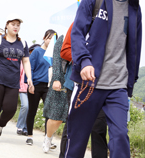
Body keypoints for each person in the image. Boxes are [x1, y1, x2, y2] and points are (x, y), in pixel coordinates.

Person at [64, 0, 142, 158]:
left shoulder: (134, 7)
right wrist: (84, 61)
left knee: (120, 136)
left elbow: (135, 45)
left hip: (118, 85)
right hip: (89, 83)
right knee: (77, 141)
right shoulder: (93, 1)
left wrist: (131, 80)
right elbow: (77, 33)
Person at [0, 14, 34, 146]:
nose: (16, 27)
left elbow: (26, 61)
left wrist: (30, 79)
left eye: (18, 25)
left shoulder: (23, 43)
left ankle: (0, 126)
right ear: (7, 25)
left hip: (13, 82)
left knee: (10, 109)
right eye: (13, 24)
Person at [59, 22, 107, 158]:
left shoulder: (114, 22)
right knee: (73, 126)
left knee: (99, 128)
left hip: (105, 84)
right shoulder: (80, 21)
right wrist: (86, 60)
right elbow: (65, 51)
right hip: (80, 83)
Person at [26, 29, 58, 145]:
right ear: (44, 38)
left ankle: (47, 139)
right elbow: (30, 68)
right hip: (35, 85)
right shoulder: (37, 52)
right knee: (32, 111)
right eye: (48, 38)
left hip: (48, 87)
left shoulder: (55, 54)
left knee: (49, 113)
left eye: (53, 39)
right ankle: (29, 135)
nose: (50, 41)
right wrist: (30, 84)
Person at [16, 61, 29, 136]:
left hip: (33, 88)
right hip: (23, 88)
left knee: (30, 108)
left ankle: (26, 128)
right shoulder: (22, 62)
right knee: (25, 106)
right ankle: (20, 126)